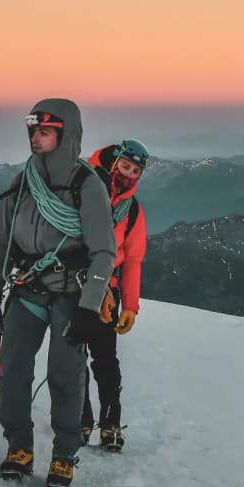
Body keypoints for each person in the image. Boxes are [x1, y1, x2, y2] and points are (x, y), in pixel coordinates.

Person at [0, 98, 116, 487]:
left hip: (72, 295)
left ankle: (63, 454)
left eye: (45, 132)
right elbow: (1, 242)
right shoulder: (21, 182)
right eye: (33, 131)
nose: (36, 139)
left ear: (65, 135)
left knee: (64, 374)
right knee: (14, 370)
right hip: (28, 289)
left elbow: (103, 252)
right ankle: (19, 447)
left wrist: (90, 306)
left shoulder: (86, 186)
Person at [80, 138, 150, 453]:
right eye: (125, 167)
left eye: (135, 171)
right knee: (72, 355)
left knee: (104, 356)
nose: (128, 175)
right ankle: (80, 418)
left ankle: (109, 423)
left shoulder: (131, 210)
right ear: (113, 161)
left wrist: (131, 306)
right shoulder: (80, 186)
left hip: (107, 290)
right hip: (73, 283)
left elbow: (133, 259)